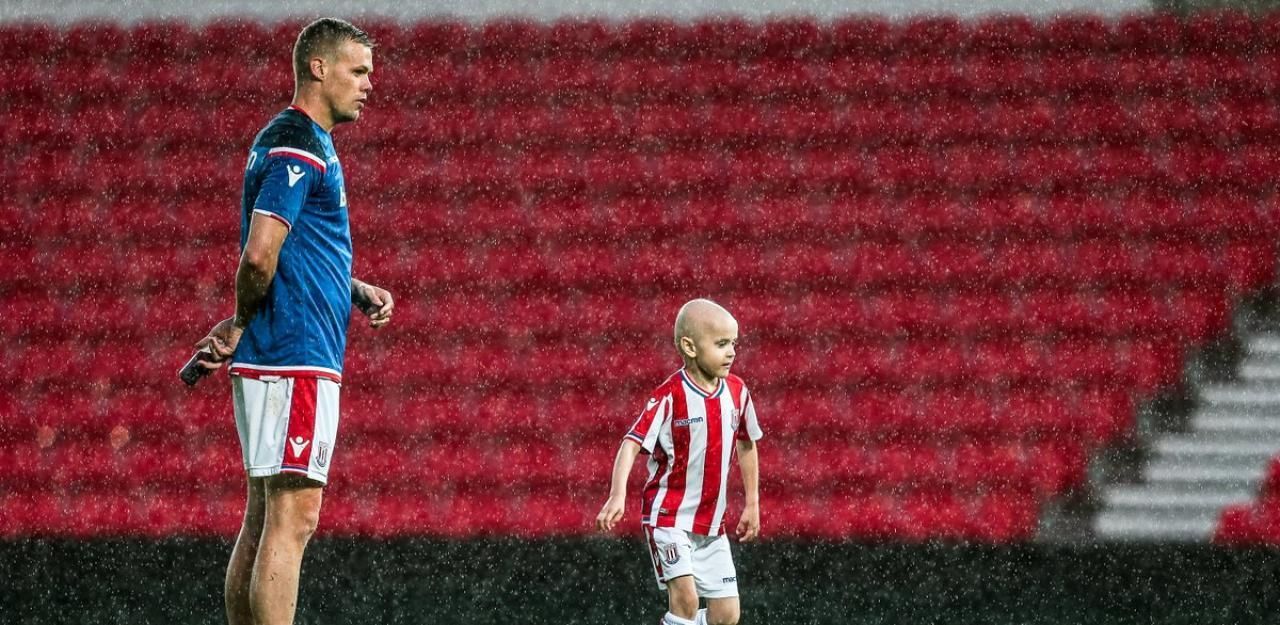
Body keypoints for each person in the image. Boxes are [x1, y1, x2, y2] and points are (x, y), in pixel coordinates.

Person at [191, 18, 392, 625]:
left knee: (262, 514)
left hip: (280, 347)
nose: (367, 86)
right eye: (358, 72)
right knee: (294, 518)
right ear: (318, 68)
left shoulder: (291, 140)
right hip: (295, 350)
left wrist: (352, 289)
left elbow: (294, 246)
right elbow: (260, 252)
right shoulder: (298, 144)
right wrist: (238, 320)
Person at [596, 299, 764, 625]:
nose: (731, 352)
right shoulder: (670, 395)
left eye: (733, 344)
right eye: (721, 344)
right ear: (689, 346)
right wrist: (617, 494)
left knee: (727, 616)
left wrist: (753, 502)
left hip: (712, 525)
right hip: (669, 517)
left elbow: (747, 443)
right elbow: (631, 442)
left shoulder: (738, 392)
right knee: (685, 600)